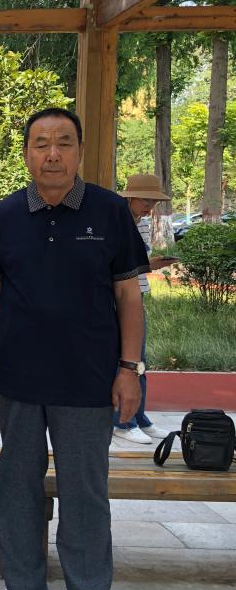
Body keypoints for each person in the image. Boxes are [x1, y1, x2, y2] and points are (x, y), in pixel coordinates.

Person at [0, 108, 147, 590]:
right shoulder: (4, 215)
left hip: (89, 381)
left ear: (79, 151)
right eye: (41, 143)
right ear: (26, 153)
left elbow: (128, 297)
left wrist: (129, 370)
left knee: (84, 489)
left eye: (63, 142)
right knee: (16, 482)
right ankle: (25, 586)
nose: (52, 154)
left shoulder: (110, 212)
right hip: (20, 379)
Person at [114, 173, 174, 444]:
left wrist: (153, 264)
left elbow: (137, 262)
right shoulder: (116, 222)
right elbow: (120, 264)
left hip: (137, 294)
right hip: (117, 297)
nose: (149, 206)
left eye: (154, 201)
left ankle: (138, 416)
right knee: (126, 360)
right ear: (131, 198)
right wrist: (151, 264)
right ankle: (123, 422)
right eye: (145, 200)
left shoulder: (144, 225)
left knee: (139, 360)